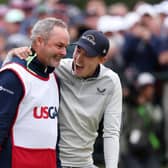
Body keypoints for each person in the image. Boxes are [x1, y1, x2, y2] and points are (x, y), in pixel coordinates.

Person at [5, 29, 123, 168]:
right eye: (78, 50)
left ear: (102, 60)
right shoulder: (57, 68)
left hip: (85, 162)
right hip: (53, 161)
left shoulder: (111, 81)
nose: (78, 59)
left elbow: (111, 132)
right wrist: (10, 56)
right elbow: (13, 76)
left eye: (88, 55)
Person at [0, 17, 69, 168]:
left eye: (65, 47)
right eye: (59, 45)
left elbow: (53, 135)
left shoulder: (54, 78)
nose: (64, 52)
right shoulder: (13, 74)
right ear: (39, 41)